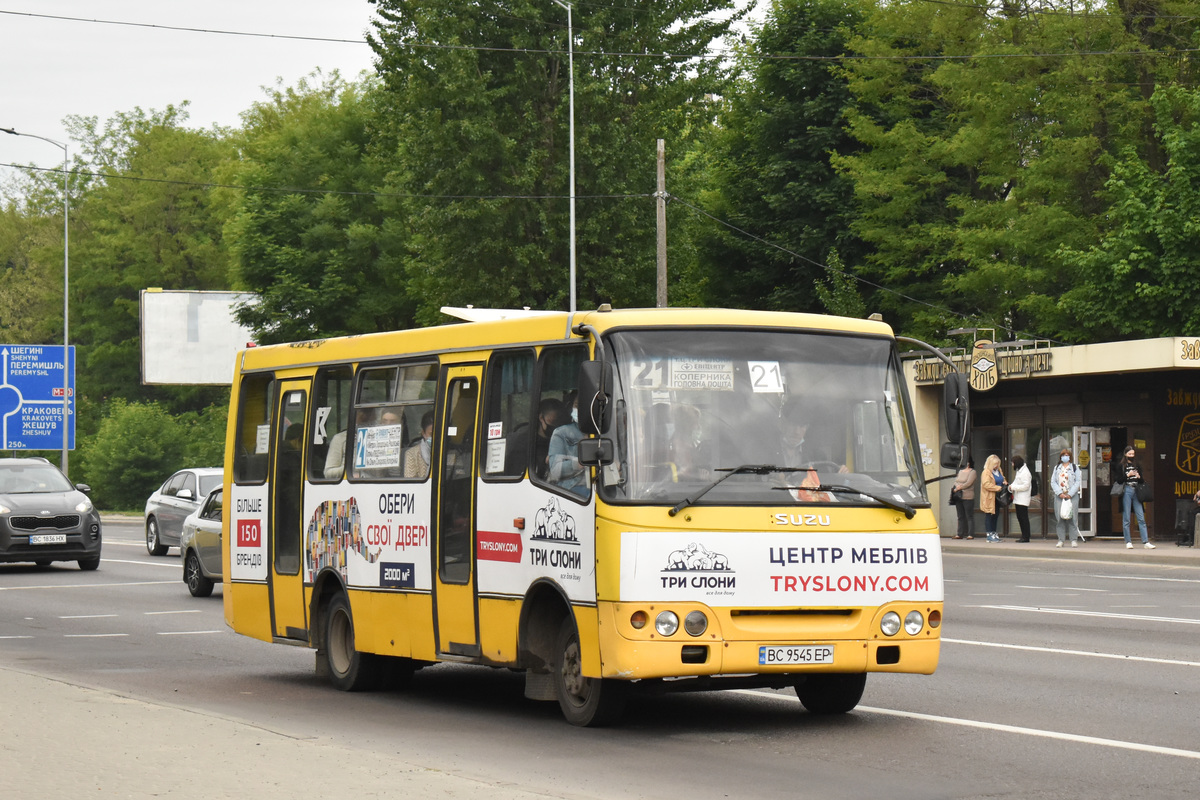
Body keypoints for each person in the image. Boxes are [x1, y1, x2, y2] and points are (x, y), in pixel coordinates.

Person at [505, 397, 565, 479]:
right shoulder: (524, 444)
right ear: (541, 418)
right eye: (553, 422)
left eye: (559, 423)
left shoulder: (563, 438)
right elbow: (520, 475)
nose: (556, 427)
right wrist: (546, 462)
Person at [1113, 445, 1154, 549]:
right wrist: (1128, 475)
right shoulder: (1121, 466)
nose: (1131, 456)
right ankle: (1128, 541)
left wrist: (1139, 477)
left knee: (1140, 517)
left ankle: (1145, 541)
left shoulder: (1137, 465)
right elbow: (1118, 480)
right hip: (1127, 490)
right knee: (1126, 517)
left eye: (1133, 454)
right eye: (1129, 454)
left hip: (1136, 491)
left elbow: (1141, 480)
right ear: (1125, 454)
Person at [548, 393, 589, 497]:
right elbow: (555, 470)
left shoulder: (605, 433)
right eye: (576, 405)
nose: (578, 409)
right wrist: (580, 463)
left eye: (582, 406)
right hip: (574, 489)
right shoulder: (561, 433)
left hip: (602, 487)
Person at [323, 408, 373, 479]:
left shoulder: (378, 440)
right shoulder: (340, 439)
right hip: (349, 484)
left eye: (369, 419)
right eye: (362, 419)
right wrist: (352, 467)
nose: (364, 423)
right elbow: (328, 473)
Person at [1051, 447, 1082, 548]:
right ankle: (1061, 540)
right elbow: (1053, 482)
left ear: (1070, 457)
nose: (1065, 457)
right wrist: (1059, 493)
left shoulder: (1074, 467)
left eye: (1067, 455)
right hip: (1060, 496)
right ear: (1061, 457)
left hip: (1071, 496)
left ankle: (1073, 540)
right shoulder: (1057, 468)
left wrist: (1070, 494)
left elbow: (1078, 481)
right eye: (1063, 455)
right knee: (1060, 518)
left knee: (1073, 518)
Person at [980, 454, 1008, 542]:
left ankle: (994, 532)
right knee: (989, 515)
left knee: (996, 515)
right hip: (989, 496)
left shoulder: (999, 470)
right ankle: (989, 534)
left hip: (998, 497)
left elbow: (1002, 479)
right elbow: (986, 484)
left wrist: (1005, 483)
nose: (997, 466)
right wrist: (997, 488)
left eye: (998, 464)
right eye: (995, 464)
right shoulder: (986, 472)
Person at [403, 411, 435, 479]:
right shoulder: (412, 453)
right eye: (431, 434)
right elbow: (410, 482)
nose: (436, 438)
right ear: (423, 433)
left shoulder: (453, 453)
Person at [951, 455, 977, 540]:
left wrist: (960, 487)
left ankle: (970, 534)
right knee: (960, 516)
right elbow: (956, 481)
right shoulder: (961, 471)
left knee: (969, 516)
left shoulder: (972, 472)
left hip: (968, 496)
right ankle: (959, 533)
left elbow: (969, 482)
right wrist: (956, 487)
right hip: (958, 496)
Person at [1010, 455, 1033, 542]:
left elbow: (1026, 486)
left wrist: (1014, 487)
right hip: (1018, 498)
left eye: (1013, 463)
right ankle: (1024, 535)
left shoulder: (1025, 472)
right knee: (1020, 517)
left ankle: (1026, 536)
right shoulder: (1019, 471)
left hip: (1022, 499)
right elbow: (1016, 482)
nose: (1012, 465)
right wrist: (1011, 486)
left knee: (1023, 518)